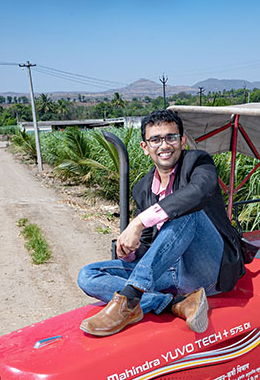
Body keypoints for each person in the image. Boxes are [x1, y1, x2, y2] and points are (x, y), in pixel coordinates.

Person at [77, 110, 245, 337]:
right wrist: (128, 253)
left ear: (182, 141)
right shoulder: (142, 189)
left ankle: (130, 299)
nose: (164, 145)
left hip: (206, 267)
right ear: (145, 147)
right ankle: (172, 303)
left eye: (170, 137)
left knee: (188, 212)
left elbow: (198, 193)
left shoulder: (199, 162)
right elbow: (148, 245)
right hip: (167, 272)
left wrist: (138, 222)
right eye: (155, 139)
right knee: (88, 274)